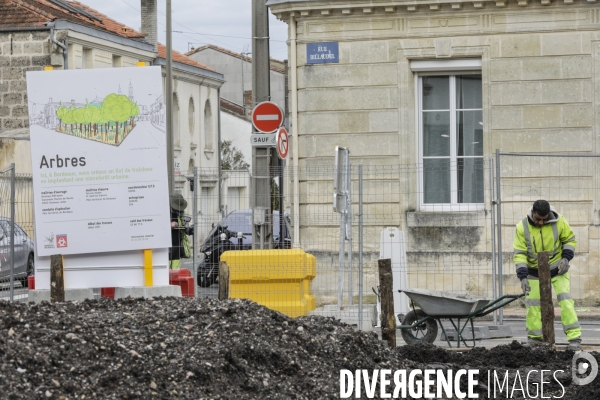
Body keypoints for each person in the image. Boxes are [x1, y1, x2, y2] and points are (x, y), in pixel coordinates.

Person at [513, 199, 581, 351]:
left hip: (558, 267)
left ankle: (574, 338)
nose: (541, 223)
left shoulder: (559, 221)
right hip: (533, 271)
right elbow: (520, 253)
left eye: (545, 219)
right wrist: (523, 276)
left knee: (565, 301)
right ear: (532, 213)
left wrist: (566, 258)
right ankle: (535, 340)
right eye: (538, 219)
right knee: (533, 305)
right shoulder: (522, 227)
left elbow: (569, 239)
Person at [169, 193, 193, 270]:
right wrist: (170, 225)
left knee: (176, 265)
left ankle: (175, 280)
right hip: (167, 244)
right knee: (167, 266)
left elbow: (183, 224)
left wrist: (187, 229)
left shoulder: (181, 213)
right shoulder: (165, 212)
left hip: (177, 243)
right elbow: (158, 226)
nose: (179, 209)